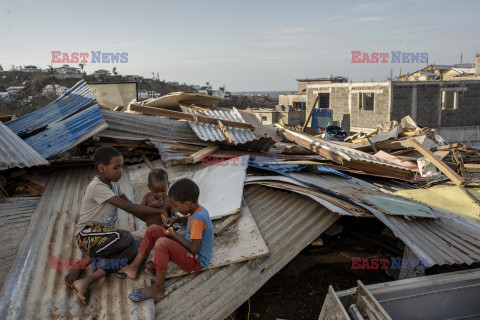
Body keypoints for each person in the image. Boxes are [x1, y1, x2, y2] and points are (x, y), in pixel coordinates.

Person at [69, 146, 169, 304]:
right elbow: (128, 207)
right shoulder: (97, 187)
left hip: (106, 237)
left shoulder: (114, 185)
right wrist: (159, 212)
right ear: (101, 168)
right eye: (116, 167)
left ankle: (87, 280)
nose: (120, 171)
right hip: (86, 235)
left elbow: (133, 208)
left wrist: (157, 221)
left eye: (121, 167)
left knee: (139, 245)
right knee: (126, 237)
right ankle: (84, 261)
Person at [119, 178, 214, 302]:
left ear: (186, 204)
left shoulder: (197, 220)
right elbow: (189, 219)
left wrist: (174, 235)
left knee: (161, 244)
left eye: (176, 205)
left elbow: (194, 249)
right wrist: (176, 219)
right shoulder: (198, 210)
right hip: (189, 251)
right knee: (153, 229)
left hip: (196, 262)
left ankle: (158, 288)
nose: (175, 208)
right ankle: (133, 267)